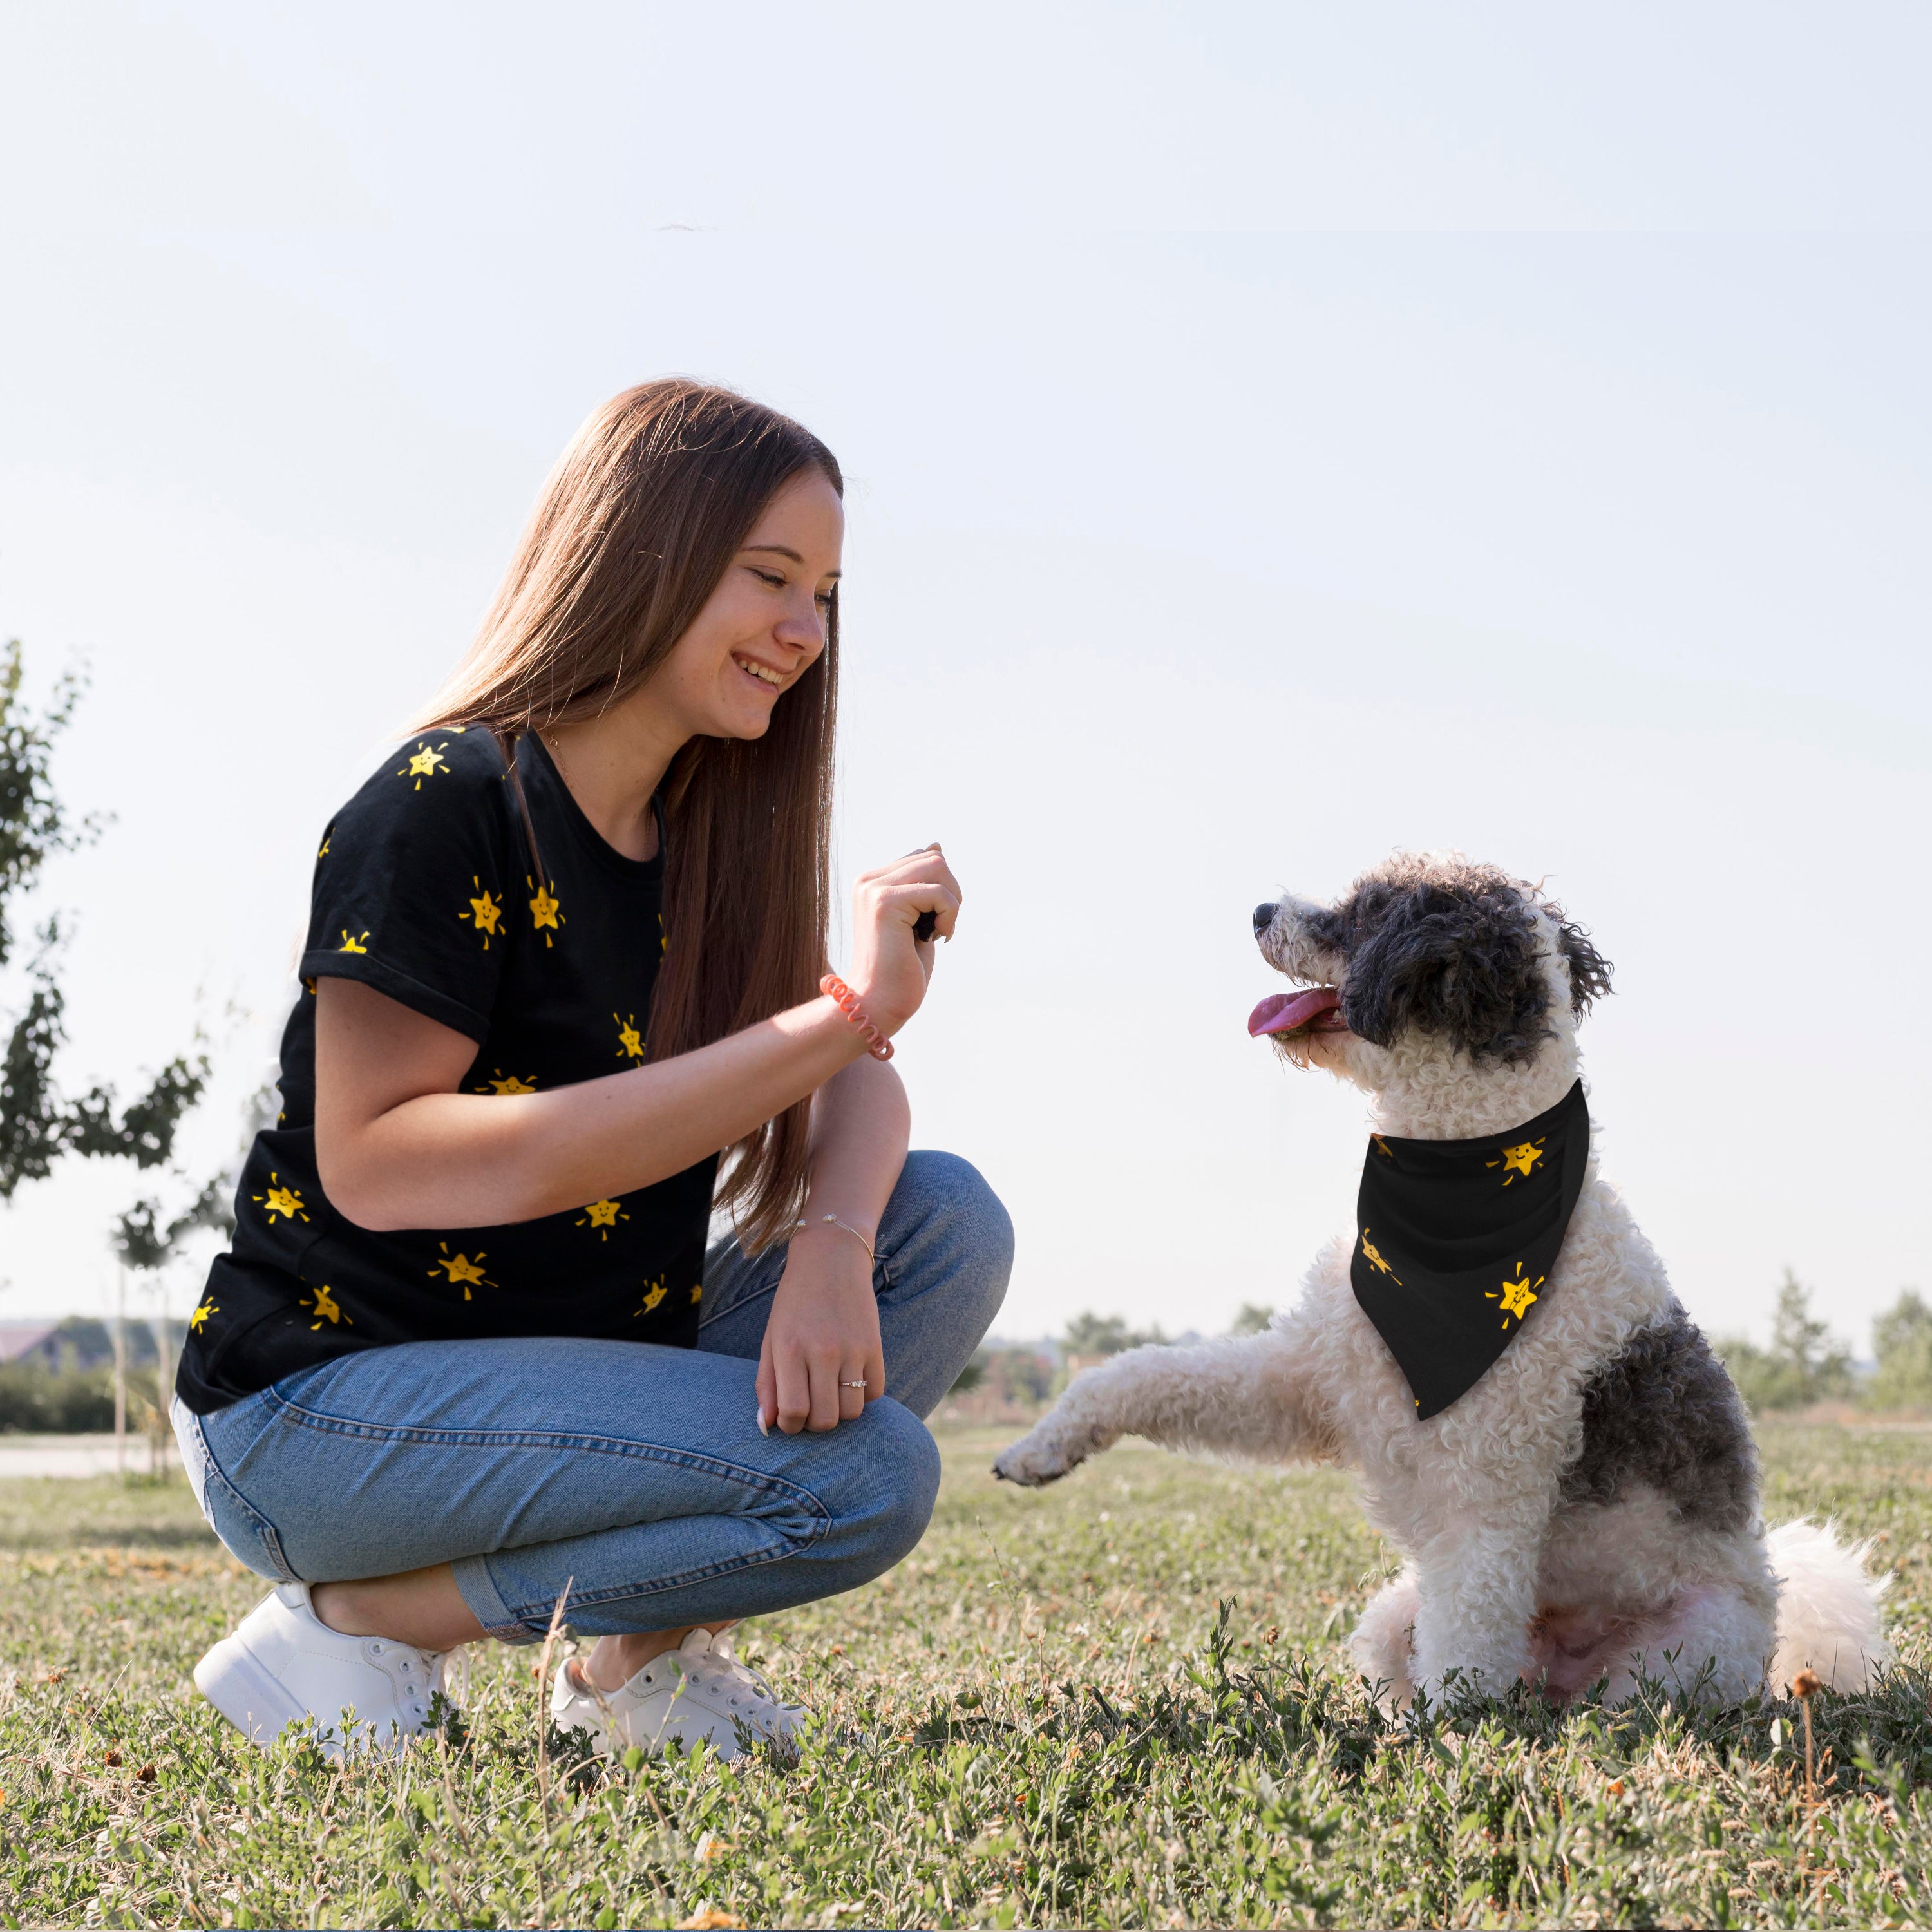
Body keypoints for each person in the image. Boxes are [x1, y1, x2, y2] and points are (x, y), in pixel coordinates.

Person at [170, 379, 1012, 1760]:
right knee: (865, 1481)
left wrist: (833, 1240)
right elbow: (377, 1166)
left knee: (943, 1220)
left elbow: (852, 1083)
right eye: (771, 578)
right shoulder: (447, 804)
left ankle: (632, 1668)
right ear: (646, 554)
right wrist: (851, 1012)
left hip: (564, 1358)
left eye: (827, 594)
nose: (806, 632)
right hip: (323, 1409)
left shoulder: (703, 839)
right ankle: (367, 1618)